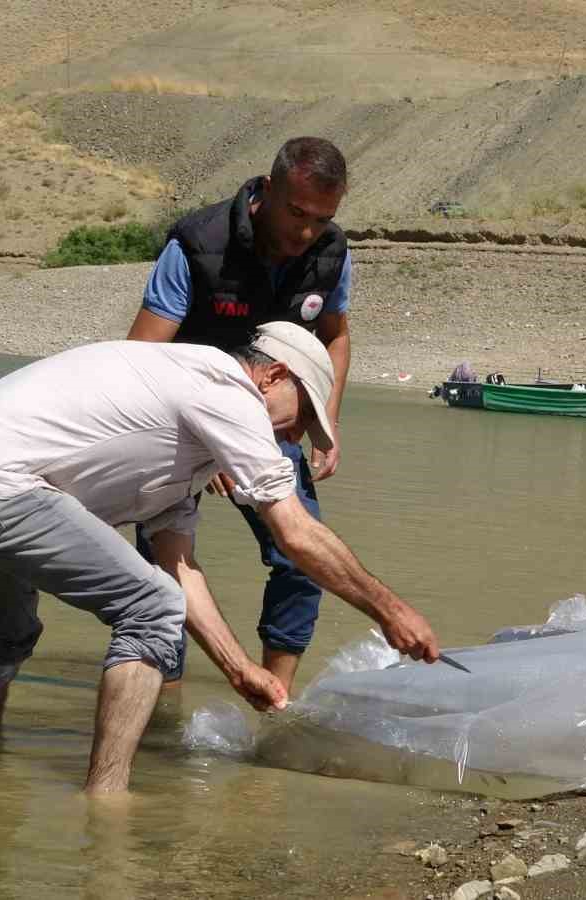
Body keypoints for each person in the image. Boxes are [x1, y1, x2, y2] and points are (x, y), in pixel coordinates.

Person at [0, 321, 441, 796]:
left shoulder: (188, 437)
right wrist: (391, 611)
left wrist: (238, 669)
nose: (296, 436)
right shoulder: (225, 388)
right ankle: (106, 804)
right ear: (273, 375)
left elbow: (178, 564)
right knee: (150, 610)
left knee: (7, 636)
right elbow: (295, 533)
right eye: (301, 416)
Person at [126, 136, 353, 691]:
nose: (306, 232)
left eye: (321, 219)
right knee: (161, 574)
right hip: (178, 424)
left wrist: (325, 418)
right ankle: (163, 701)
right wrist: (215, 439)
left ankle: (274, 700)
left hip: (269, 421)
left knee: (304, 558)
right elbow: (140, 357)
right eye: (296, 213)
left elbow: (336, 337)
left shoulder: (330, 252)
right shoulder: (198, 245)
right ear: (268, 189)